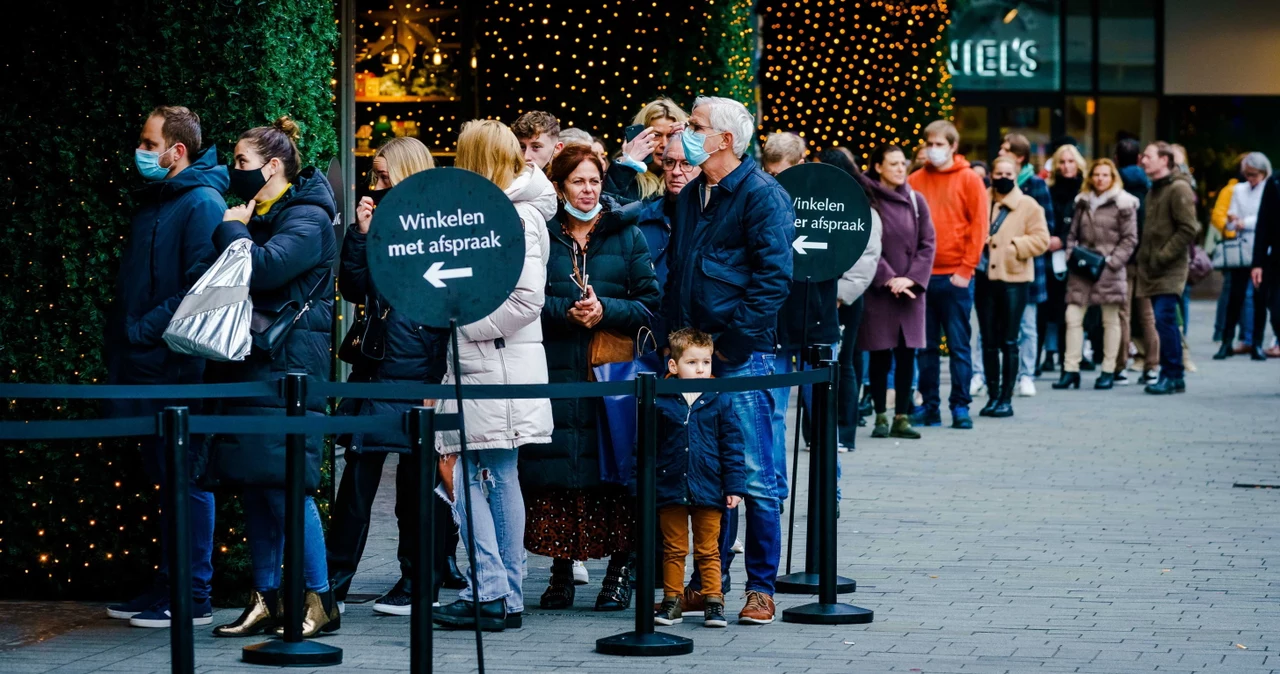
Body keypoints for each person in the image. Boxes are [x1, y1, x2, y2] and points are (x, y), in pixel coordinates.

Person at [662, 95, 794, 624]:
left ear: (724, 140)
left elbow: (772, 280)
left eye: (695, 126)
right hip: (694, 357)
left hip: (742, 358)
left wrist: (730, 351)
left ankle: (761, 588)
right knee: (707, 473)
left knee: (756, 475)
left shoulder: (763, 195)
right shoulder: (694, 193)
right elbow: (682, 271)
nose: (685, 133)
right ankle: (708, 585)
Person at [207, 116, 339, 638]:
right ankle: (265, 598)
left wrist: (234, 229)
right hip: (256, 364)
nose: (234, 172)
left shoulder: (306, 217)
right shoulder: (261, 214)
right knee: (257, 487)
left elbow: (262, 269)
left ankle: (318, 600)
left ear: (274, 166)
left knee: (290, 489)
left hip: (290, 372)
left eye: (242, 163)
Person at [326, 137, 462, 617]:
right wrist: (362, 235)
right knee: (358, 478)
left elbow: (444, 308)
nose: (376, 185)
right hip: (376, 366)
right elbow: (353, 287)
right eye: (374, 177)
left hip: (415, 370)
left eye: (385, 177)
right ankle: (334, 583)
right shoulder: (380, 225)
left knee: (414, 483)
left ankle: (416, 581)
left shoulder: (438, 229)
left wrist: (434, 384)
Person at [431, 119, 557, 632]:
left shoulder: (518, 215)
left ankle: (491, 588)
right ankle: (503, 593)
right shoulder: (503, 210)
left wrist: (462, 324)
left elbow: (526, 300)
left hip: (492, 361)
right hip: (491, 361)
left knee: (467, 472)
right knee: (494, 476)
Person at [524, 144, 660, 612]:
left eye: (595, 181)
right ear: (560, 185)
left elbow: (650, 304)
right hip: (556, 369)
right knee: (560, 476)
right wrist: (566, 312)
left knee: (615, 476)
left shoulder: (627, 234)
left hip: (613, 372)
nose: (588, 190)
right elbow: (522, 300)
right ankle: (561, 572)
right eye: (579, 181)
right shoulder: (541, 234)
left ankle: (619, 573)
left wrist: (606, 311)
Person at [104, 106, 226, 629]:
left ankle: (192, 593)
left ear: (177, 151)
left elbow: (199, 286)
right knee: (166, 478)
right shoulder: (161, 200)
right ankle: (167, 582)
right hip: (147, 365)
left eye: (149, 142)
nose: (141, 150)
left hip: (175, 367)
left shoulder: (200, 202)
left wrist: (142, 328)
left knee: (187, 478)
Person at [652, 328, 747, 629]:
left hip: (710, 486)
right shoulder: (659, 397)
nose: (701, 369)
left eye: (705, 362)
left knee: (709, 549)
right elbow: (645, 446)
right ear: (673, 366)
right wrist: (641, 485)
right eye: (692, 363)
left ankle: (713, 601)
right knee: (674, 548)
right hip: (670, 485)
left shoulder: (720, 398)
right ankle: (672, 600)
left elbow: (732, 444)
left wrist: (734, 486)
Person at [907, 120, 988, 430]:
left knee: (958, 345)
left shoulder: (969, 180)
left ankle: (960, 406)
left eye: (940, 144)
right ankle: (929, 406)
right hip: (924, 277)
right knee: (925, 347)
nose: (933, 149)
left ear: (954, 147)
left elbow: (978, 227)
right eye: (930, 143)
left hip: (956, 276)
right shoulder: (915, 179)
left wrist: (966, 270)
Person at [858, 144, 936, 437]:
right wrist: (889, 278)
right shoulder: (867, 198)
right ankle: (880, 415)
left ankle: (902, 416)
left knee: (907, 354)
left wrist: (911, 279)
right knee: (879, 353)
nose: (901, 168)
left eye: (903, 163)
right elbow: (865, 243)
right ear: (878, 166)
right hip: (881, 290)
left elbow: (928, 243)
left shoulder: (917, 200)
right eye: (894, 164)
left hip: (911, 292)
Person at [816, 147, 884, 450]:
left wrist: (842, 295)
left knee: (844, 363)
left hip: (844, 299)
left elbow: (867, 258)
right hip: (816, 295)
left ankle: (845, 432)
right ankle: (814, 432)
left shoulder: (862, 209)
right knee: (816, 364)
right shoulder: (814, 202)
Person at [975, 156, 1049, 417]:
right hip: (983, 277)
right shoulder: (980, 199)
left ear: (1016, 175)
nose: (1003, 177)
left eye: (1008, 173)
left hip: (1014, 279)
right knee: (988, 341)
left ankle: (1006, 398)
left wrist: (1014, 247)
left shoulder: (1028, 205)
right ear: (992, 174)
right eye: (999, 172)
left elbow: (1042, 239)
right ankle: (992, 395)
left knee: (1009, 340)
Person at [1055, 159, 1138, 390]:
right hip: (1082, 267)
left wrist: (1113, 262)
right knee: (1073, 317)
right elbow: (1071, 233)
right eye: (1097, 175)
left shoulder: (1124, 203)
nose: (1100, 179)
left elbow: (1130, 239)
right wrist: (1071, 254)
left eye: (1105, 175)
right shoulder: (1082, 202)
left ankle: (1108, 370)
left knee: (1110, 320)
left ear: (1113, 178)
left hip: (1108, 268)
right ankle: (1071, 369)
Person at [1136, 142, 1200, 395]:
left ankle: (1172, 375)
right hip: (1152, 267)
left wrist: (1163, 255)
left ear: (1164, 160)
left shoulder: (1178, 188)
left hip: (1170, 267)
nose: (1143, 160)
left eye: (1149, 156)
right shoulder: (1154, 190)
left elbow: (1189, 228)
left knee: (1165, 319)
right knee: (1163, 321)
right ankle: (1172, 375)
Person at [625, 132, 702, 341]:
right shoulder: (642, 218)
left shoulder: (714, 220)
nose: (676, 172)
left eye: (686, 164)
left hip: (697, 343)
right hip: (646, 335)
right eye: (669, 163)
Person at [997, 133, 1055, 398]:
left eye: (1006, 149)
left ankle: (1026, 374)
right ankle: (993, 375)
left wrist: (1013, 246)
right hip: (996, 270)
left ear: (1018, 157)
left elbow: (1046, 231)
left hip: (1026, 268)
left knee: (1027, 325)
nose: (1000, 152)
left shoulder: (1035, 186)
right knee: (996, 327)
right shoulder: (991, 188)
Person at [1214, 152, 1271, 361]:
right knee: (1234, 296)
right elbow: (1232, 215)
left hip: (1262, 247)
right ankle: (1227, 341)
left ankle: (1255, 342)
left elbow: (1266, 219)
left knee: (1259, 297)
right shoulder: (1239, 189)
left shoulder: (1270, 188)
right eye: (1247, 174)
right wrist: (1234, 221)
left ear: (1263, 173)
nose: (1250, 178)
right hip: (1241, 246)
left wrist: (1243, 222)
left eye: (1254, 174)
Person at [1043, 143, 1087, 374]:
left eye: (1071, 161)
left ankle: (1072, 359)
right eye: (1062, 161)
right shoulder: (1048, 190)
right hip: (1050, 256)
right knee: (1051, 307)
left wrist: (1062, 238)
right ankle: (1050, 354)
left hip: (1076, 257)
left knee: (1073, 310)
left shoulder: (1085, 191)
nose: (1067, 166)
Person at [1116, 137, 1152, 384]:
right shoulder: (1151, 185)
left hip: (1124, 257)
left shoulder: (1116, 185)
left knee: (1123, 313)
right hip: (1148, 257)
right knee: (1148, 315)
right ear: (1139, 158)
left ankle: (1121, 366)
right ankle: (1153, 365)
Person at [612, 98, 691, 201]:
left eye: (671, 135)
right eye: (656, 135)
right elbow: (607, 205)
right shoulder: (626, 178)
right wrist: (625, 167)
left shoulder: (691, 176)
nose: (665, 144)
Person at [1251, 171, 1280, 357]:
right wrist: (1257, 263)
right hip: (1276, 260)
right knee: (1276, 312)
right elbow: (1263, 224)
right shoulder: (1275, 182)